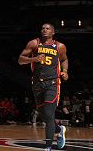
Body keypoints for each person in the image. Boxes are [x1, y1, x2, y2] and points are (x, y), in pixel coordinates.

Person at [18, 23, 68, 151]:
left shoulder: (59, 46)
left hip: (52, 82)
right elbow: (20, 60)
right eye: (43, 28)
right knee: (45, 116)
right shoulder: (34, 43)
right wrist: (34, 59)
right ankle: (59, 129)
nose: (44, 30)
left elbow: (64, 59)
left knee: (49, 113)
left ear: (53, 32)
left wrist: (65, 71)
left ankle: (48, 146)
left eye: (48, 28)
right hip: (37, 83)